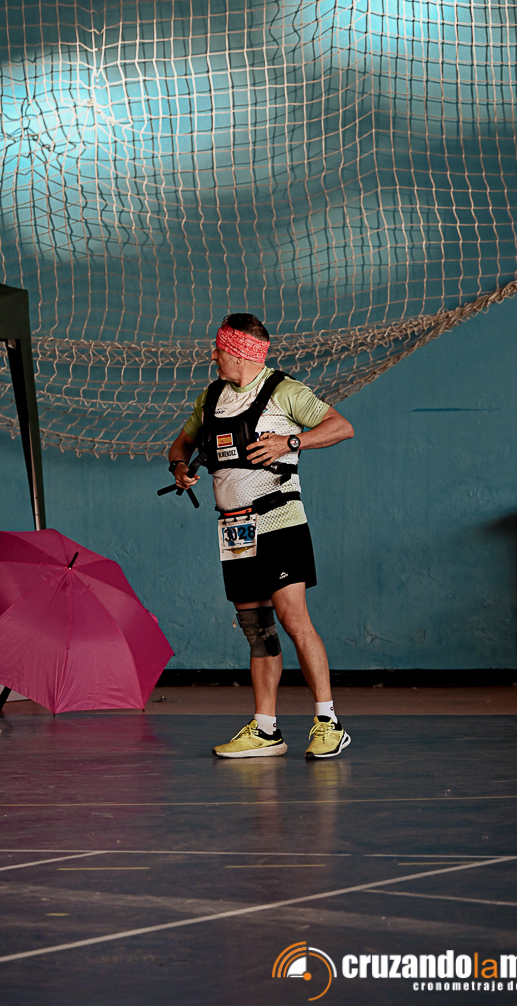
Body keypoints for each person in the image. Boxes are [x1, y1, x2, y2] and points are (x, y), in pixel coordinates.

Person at [167, 313, 355, 760]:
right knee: (257, 631)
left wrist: (291, 443)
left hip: (280, 522)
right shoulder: (211, 396)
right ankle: (266, 729)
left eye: (219, 350)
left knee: (293, 620)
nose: (213, 356)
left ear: (238, 353)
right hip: (236, 530)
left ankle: (329, 722)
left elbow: (341, 426)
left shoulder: (284, 391)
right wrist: (180, 468)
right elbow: (180, 445)